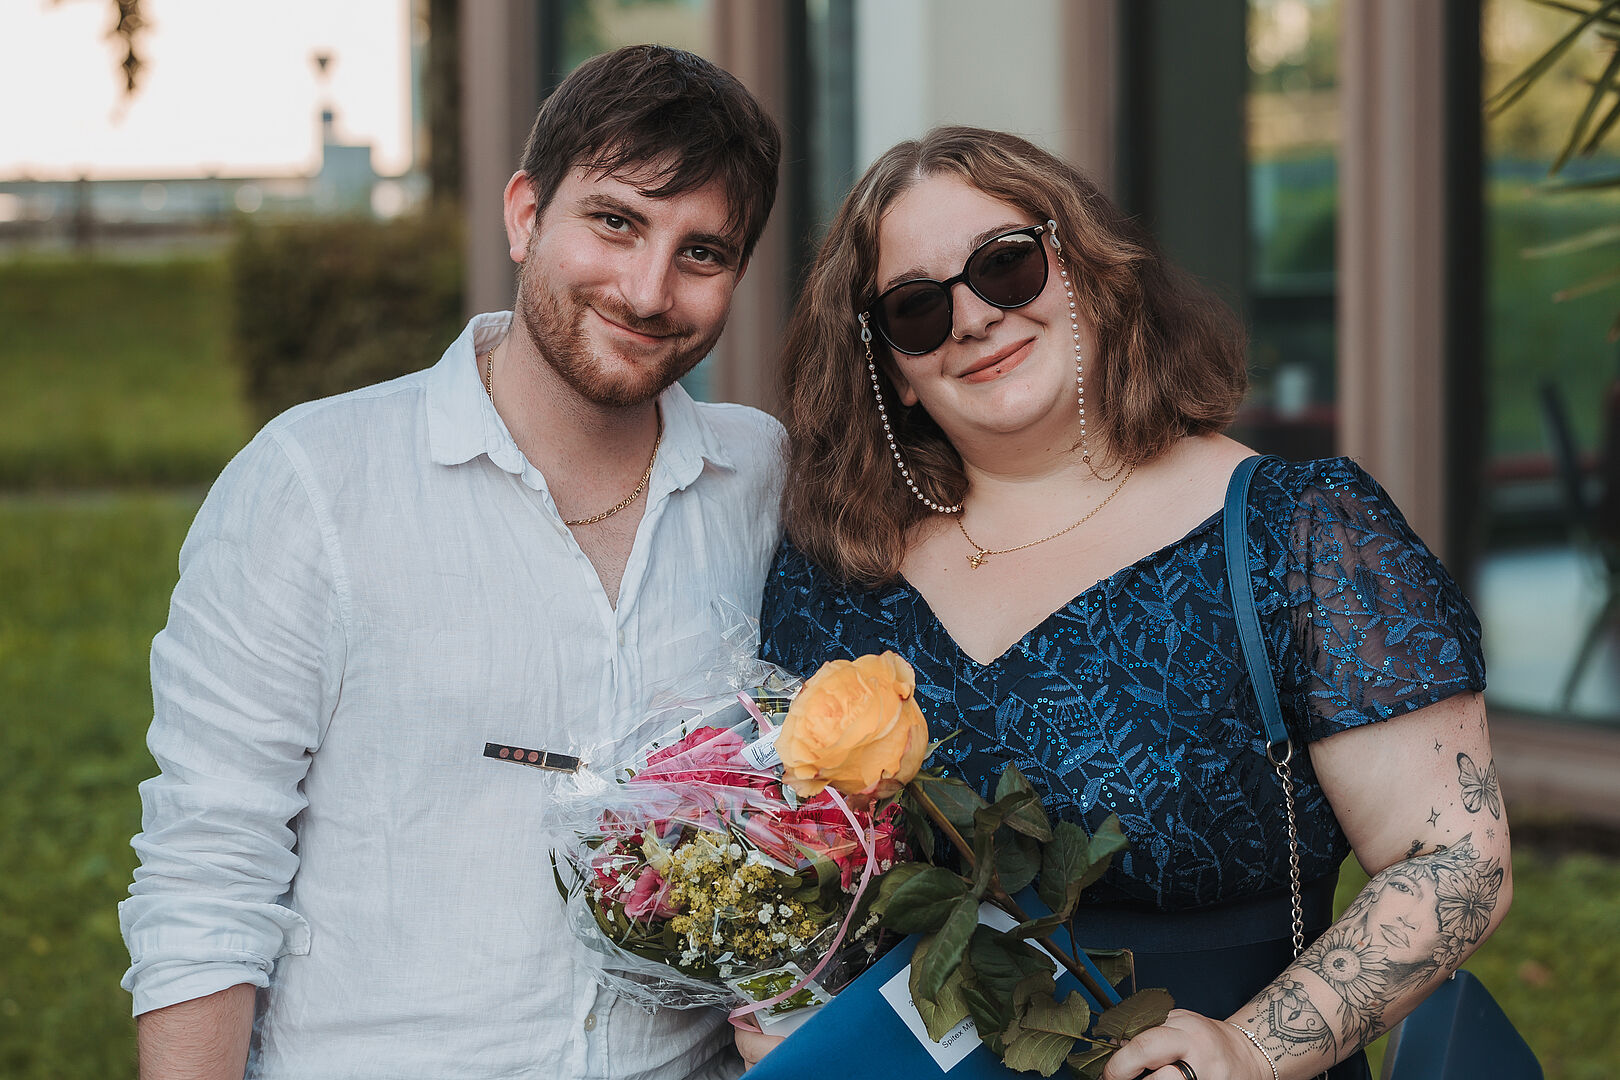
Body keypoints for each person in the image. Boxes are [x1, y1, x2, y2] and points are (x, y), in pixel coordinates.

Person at [750, 127, 1511, 1080]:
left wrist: (1251, 1049)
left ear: (1088, 272)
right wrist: (791, 1006)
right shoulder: (834, 574)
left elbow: (1457, 860)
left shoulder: (1293, 530)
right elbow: (788, 857)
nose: (973, 318)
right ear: (892, 368)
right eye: (917, 308)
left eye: (1006, 266)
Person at [120, 45, 783, 1080]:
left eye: (701, 252)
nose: (648, 289)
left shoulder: (762, 480)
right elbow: (208, 871)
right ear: (525, 216)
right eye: (615, 222)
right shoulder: (315, 481)